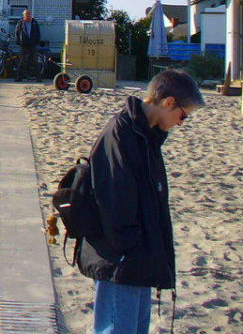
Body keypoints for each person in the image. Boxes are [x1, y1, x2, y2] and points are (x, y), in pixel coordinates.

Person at [79, 69, 204, 334]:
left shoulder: (146, 134)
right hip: (121, 258)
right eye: (183, 115)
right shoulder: (122, 133)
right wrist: (128, 249)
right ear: (168, 102)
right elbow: (112, 198)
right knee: (117, 328)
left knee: (134, 328)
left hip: (137, 255)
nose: (181, 123)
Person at [14, 8, 40, 81]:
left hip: (32, 44)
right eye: (26, 14)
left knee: (35, 61)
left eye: (29, 14)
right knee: (21, 61)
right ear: (24, 15)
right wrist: (18, 41)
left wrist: (37, 41)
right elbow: (17, 33)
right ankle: (19, 77)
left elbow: (38, 33)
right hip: (24, 44)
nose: (28, 16)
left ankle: (38, 77)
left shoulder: (34, 23)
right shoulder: (20, 23)